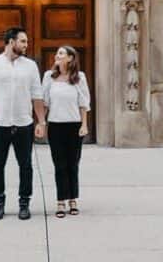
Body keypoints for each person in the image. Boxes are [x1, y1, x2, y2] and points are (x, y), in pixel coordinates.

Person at [0, 25, 46, 221]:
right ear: (11, 41)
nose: (26, 45)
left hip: (24, 124)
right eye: (23, 41)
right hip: (0, 123)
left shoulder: (30, 66)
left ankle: (24, 204)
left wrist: (41, 122)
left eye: (26, 41)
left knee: (26, 165)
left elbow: (37, 95)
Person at [42, 45, 90, 218]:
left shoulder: (79, 77)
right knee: (59, 165)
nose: (57, 55)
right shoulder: (49, 77)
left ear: (70, 58)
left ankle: (73, 199)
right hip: (55, 126)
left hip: (74, 126)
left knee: (73, 164)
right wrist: (41, 123)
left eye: (61, 53)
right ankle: (60, 201)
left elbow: (83, 103)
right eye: (57, 53)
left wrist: (84, 125)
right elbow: (45, 102)